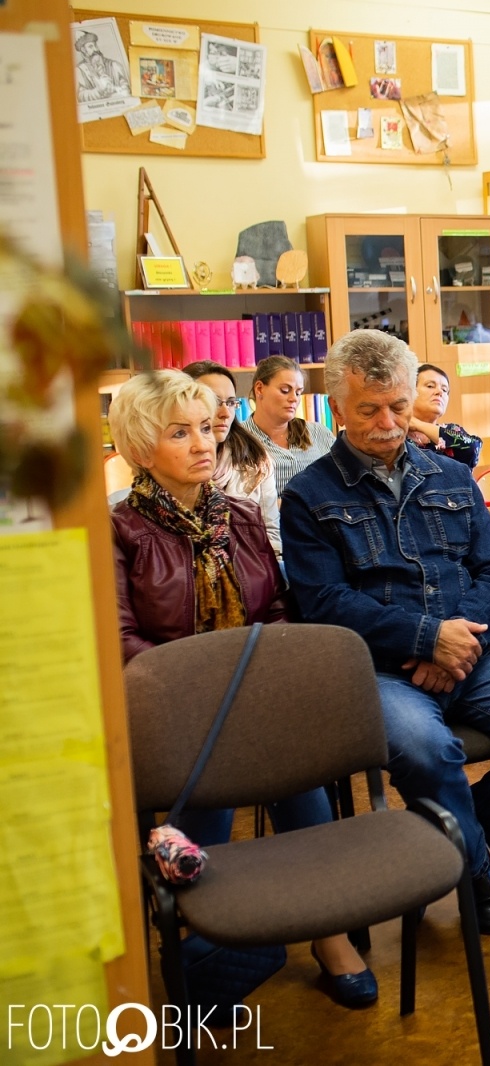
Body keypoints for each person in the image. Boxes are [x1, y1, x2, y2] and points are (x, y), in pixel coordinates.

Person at [280, 330, 490, 936]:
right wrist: (427, 639)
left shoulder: (451, 475)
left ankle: (452, 835)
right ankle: (475, 871)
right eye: (369, 410)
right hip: (379, 669)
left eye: (398, 406)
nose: (388, 424)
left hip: (471, 653)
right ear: (337, 409)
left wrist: (458, 641)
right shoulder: (308, 495)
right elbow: (324, 603)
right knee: (429, 752)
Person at [108, 370, 375, 1008]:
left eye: (207, 427)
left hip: (251, 696)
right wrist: (204, 690)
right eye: (180, 433)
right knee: (230, 762)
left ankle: (322, 928)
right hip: (170, 709)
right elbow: (120, 640)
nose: (205, 443)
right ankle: (219, 929)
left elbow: (276, 610)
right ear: (141, 447)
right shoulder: (119, 530)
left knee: (289, 755)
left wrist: (261, 684)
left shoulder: (243, 515)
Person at [183, 360, 281, 559]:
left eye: (230, 403)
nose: (225, 413)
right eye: (213, 402)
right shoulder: (172, 461)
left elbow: (271, 533)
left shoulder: (255, 460)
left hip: (247, 568)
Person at [241, 355, 336, 497]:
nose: (294, 399)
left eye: (298, 392)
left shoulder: (319, 432)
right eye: (285, 390)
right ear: (259, 389)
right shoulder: (238, 441)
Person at [408, 362, 482, 468]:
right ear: (409, 393)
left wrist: (417, 424)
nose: (440, 392)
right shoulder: (398, 435)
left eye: (444, 390)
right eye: (430, 386)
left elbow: (473, 449)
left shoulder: (451, 430)